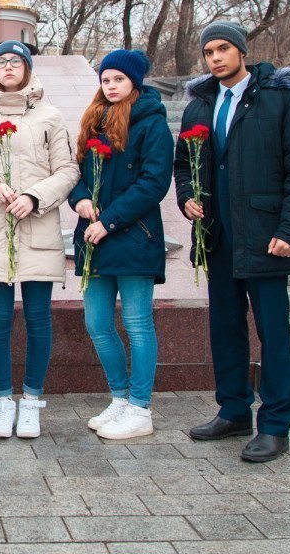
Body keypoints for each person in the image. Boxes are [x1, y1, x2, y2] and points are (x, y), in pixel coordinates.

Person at [175, 20, 290, 463]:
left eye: (223, 49)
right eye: (209, 52)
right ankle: (234, 409)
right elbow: (184, 163)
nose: (216, 58)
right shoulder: (200, 104)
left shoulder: (281, 99)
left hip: (266, 237)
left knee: (273, 334)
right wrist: (187, 198)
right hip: (217, 236)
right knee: (225, 328)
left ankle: (275, 425)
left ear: (242, 51)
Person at [0, 40, 78, 440]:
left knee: (39, 318)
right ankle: (3, 401)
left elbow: (68, 170)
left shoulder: (50, 116)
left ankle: (32, 403)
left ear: (26, 68)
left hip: (36, 228)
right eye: (1, 62)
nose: (8, 67)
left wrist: (34, 197)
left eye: (15, 61)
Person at [69, 50, 172, 440]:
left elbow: (154, 183)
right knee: (97, 323)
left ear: (135, 82)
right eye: (106, 79)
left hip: (133, 238)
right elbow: (77, 171)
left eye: (118, 80)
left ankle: (141, 408)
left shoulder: (152, 124)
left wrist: (109, 221)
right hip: (94, 236)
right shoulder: (94, 122)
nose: (110, 86)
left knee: (137, 324)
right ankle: (120, 399)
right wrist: (79, 199)